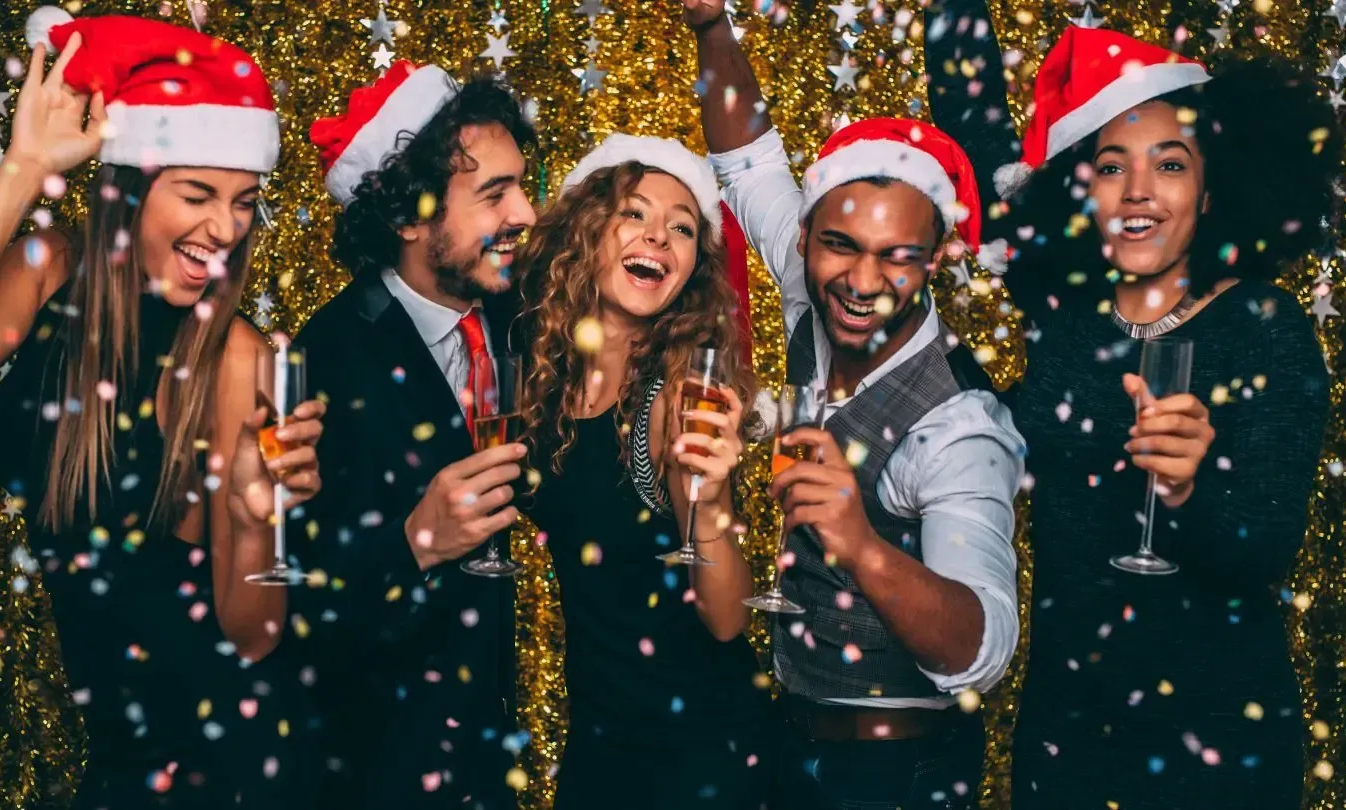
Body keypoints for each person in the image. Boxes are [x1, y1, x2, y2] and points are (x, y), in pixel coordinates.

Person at [924, 6, 1339, 808]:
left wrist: (1189, 492)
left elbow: (1262, 553)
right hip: (1068, 737)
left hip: (1216, 747)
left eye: (1171, 165)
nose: (1139, 191)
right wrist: (922, 324)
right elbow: (1004, 433)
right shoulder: (1073, 325)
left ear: (1212, 188)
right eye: (1112, 166)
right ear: (1085, 189)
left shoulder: (1265, 327)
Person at [0, 8, 326, 807]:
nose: (225, 228)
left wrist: (252, 510)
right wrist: (21, 169)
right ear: (130, 188)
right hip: (112, 756)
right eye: (200, 194)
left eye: (245, 201)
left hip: (217, 767)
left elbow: (254, 635)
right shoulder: (48, 271)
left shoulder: (243, 357)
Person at [681, 3, 1025, 808]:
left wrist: (860, 543)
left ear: (935, 257)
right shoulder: (815, 296)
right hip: (785, 742)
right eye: (841, 246)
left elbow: (985, 649)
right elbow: (747, 160)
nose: (864, 284)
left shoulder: (960, 426)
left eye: (898, 257)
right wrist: (710, 26)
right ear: (807, 236)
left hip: (896, 775)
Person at [291, 61, 537, 809]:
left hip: (489, 757)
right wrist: (415, 543)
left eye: (522, 183)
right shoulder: (327, 356)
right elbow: (288, 604)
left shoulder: (514, 318)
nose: (526, 211)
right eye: (494, 193)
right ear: (408, 216)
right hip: (376, 769)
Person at [512, 133, 767, 810]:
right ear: (586, 233)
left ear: (692, 268)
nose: (658, 236)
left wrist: (709, 503)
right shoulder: (544, 377)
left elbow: (726, 619)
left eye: (682, 228)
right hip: (601, 745)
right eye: (635, 213)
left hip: (696, 760)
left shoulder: (677, 398)